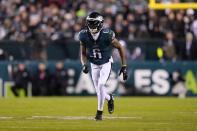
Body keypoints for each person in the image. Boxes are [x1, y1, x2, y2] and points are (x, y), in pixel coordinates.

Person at [79, 12, 128, 121]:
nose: (91, 26)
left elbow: (120, 47)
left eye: (94, 23)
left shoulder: (107, 34)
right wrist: (84, 64)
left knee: (101, 85)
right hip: (93, 64)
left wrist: (124, 66)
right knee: (98, 90)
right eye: (89, 23)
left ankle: (99, 113)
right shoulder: (83, 35)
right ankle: (110, 98)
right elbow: (83, 53)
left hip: (106, 63)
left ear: (100, 24)